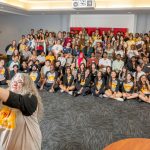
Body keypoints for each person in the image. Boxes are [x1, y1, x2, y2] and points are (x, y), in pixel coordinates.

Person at [0, 73, 43, 150]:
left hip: (27, 145)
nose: (15, 83)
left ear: (27, 85)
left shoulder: (31, 98)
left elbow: (18, 101)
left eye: (20, 81)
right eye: (14, 80)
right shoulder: (3, 99)